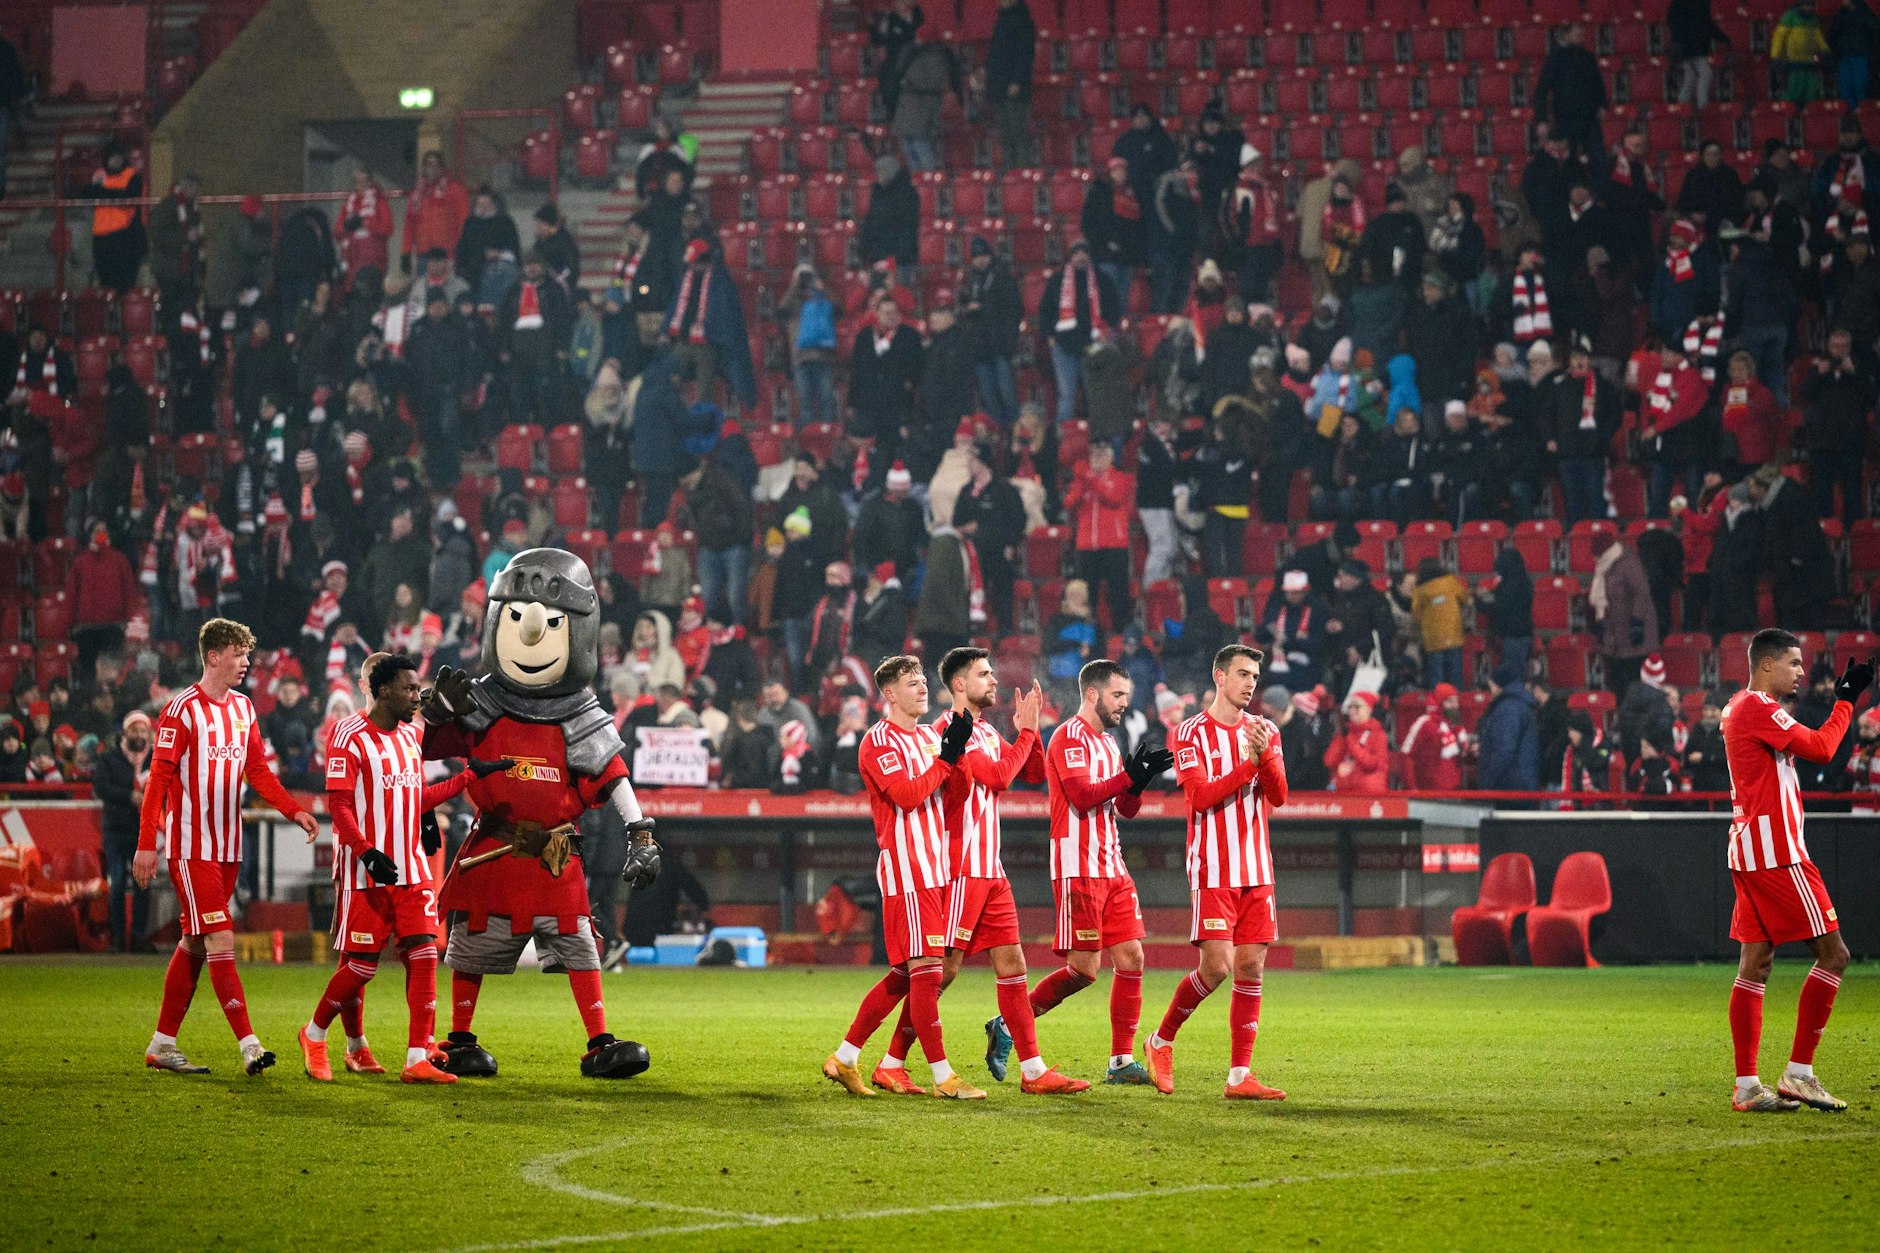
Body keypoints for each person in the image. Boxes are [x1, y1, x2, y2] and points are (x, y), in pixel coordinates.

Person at [874, 649, 1086, 1094]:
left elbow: (1031, 771)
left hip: (991, 869)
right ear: (958, 684)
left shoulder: (986, 731)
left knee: (1012, 964)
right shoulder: (948, 732)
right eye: (983, 674)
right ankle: (892, 1061)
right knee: (942, 971)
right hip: (959, 868)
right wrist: (1025, 732)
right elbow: (999, 777)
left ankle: (1034, 1071)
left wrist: (1031, 730)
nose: (993, 680)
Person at [298, 654, 509, 1086]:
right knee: (360, 967)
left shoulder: (413, 736)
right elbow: (339, 805)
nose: (418, 697)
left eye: (418, 689)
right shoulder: (349, 735)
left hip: (411, 866)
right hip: (366, 871)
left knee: (426, 953)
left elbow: (415, 798)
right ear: (382, 691)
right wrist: (365, 852)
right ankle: (314, 1034)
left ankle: (416, 1057)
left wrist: (469, 776)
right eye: (410, 689)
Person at [132, 618, 319, 1075]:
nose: (246, 662)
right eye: (239, 654)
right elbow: (158, 781)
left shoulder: (243, 708)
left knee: (195, 942)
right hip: (191, 846)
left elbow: (258, 771)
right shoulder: (181, 710)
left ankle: (161, 1044)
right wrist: (146, 843)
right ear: (213, 656)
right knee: (220, 936)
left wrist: (292, 810)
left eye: (247, 654)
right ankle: (250, 1045)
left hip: (229, 846)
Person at [821, 654, 984, 1100]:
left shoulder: (929, 738)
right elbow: (908, 796)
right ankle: (944, 1076)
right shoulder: (878, 742)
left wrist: (957, 755)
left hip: (935, 867)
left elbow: (957, 795)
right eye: (912, 683)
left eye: (923, 681)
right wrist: (944, 760)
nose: (923, 688)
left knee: (902, 975)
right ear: (890, 693)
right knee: (927, 973)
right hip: (908, 870)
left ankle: (845, 1058)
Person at [1721, 629, 1870, 1113]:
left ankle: (1747, 1086)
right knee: (1835, 955)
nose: (1802, 672)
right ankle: (1799, 1073)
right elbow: (1823, 748)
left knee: (1755, 965)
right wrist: (1846, 701)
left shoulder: (1737, 706)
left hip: (1750, 850)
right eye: (1793, 663)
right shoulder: (1757, 707)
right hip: (1778, 853)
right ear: (1766, 665)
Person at [1145, 644, 1289, 1100]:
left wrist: (1266, 758)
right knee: (1217, 966)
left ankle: (1239, 1076)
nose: (1250, 683)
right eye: (1242, 674)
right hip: (1213, 866)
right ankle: (1160, 1041)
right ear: (1219, 676)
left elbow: (1279, 795)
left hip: (1256, 866)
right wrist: (1251, 764)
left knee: (1251, 967)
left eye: (1255, 676)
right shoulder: (1189, 733)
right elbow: (1201, 797)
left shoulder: (1265, 730)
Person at [1028, 659, 1172, 1086]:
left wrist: (1138, 782)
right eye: (1117, 695)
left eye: (1127, 695)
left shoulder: (1109, 744)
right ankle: (1010, 1021)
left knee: (1132, 957)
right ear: (1092, 694)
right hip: (1078, 865)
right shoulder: (1067, 737)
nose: (1124, 703)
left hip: (1112, 863)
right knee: (1083, 970)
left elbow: (1123, 808)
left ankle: (1120, 1061)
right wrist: (1126, 777)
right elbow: (1081, 795)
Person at [1799, 327, 1875, 528]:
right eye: (1835, 346)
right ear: (1828, 347)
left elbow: (1871, 396)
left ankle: (1854, 535)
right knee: (1821, 494)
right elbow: (1804, 392)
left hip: (1850, 442)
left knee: (1852, 493)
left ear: (1849, 348)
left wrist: (1854, 373)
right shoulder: (1819, 367)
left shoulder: (1860, 367)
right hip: (1822, 442)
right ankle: (1824, 535)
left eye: (1843, 346)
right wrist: (1818, 374)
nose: (1839, 350)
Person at [91, 710, 153, 952]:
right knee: (116, 882)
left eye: (143, 730)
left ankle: (138, 936)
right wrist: (129, 796)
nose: (139, 735)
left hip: (144, 831)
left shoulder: (156, 758)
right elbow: (100, 786)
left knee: (143, 884)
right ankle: (117, 937)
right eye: (134, 730)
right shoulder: (109, 758)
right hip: (116, 829)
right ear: (125, 732)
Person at [1041, 241, 1120, 425]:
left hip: (1094, 346)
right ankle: (1062, 439)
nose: (1081, 257)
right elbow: (1045, 311)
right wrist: (1050, 337)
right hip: (1063, 345)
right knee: (1066, 396)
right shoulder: (1057, 281)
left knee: (1095, 394)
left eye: (1084, 253)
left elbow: (1114, 311)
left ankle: (1097, 435)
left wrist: (1107, 331)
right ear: (1070, 256)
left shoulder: (1102, 280)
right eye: (1077, 253)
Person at [1063, 443, 1133, 632]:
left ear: (1110, 458)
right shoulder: (1082, 480)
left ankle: (1122, 633)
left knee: (1118, 592)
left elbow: (1114, 498)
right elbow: (1069, 502)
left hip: (1114, 544)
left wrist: (1090, 479)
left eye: (1101, 455)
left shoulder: (1120, 478)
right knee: (1087, 593)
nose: (1095, 460)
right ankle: (1086, 633)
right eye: (1093, 455)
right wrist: (1082, 484)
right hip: (1087, 545)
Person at [1532, 24, 1608, 157]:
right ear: (1566, 36)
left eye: (1581, 35)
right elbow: (1542, 89)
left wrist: (1602, 105)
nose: (1581, 38)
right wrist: (1541, 118)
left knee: (1598, 158)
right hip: (1565, 118)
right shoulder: (1555, 58)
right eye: (1577, 35)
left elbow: (1598, 83)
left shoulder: (1588, 57)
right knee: (1568, 159)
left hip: (1589, 117)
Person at [984, 0, 1038, 167]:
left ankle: (1021, 172)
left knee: (1018, 133)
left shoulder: (1023, 22)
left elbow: (1025, 55)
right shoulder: (1002, 20)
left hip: (1014, 88)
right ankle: (1009, 172)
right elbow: (996, 53)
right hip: (999, 86)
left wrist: (1017, 81)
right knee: (1005, 134)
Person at [1476, 660, 1540, 791]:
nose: (1490, 690)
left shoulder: (1508, 709)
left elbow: (1504, 750)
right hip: (1518, 782)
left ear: (1498, 684)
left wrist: (1487, 781)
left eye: (1491, 685)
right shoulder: (1517, 705)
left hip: (1509, 786)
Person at [1401, 683, 1465, 791]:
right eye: (1449, 701)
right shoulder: (1424, 723)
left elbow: (1461, 757)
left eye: (1456, 701)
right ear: (1439, 702)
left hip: (1454, 790)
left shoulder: (1457, 726)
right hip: (1428, 791)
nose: (1454, 705)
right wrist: (1411, 787)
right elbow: (1406, 755)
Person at [1323, 690, 1390, 792]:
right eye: (1350, 707)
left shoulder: (1378, 734)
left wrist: (1352, 744)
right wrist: (1341, 740)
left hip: (1369, 792)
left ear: (1368, 710)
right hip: (1344, 790)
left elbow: (1372, 764)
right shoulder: (1346, 733)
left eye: (1357, 706)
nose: (1352, 710)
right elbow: (1329, 761)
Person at [1669, 0, 1731, 106]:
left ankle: (1683, 105)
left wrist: (1678, 40)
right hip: (1694, 47)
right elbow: (1706, 23)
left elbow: (1672, 20)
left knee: (1691, 76)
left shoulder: (1679, 3)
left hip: (1685, 46)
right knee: (1705, 73)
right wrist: (1724, 38)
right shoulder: (1699, 3)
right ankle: (1702, 105)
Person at [1772, 0, 1831, 103]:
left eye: (1811, 5)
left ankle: (1809, 110)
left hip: (1809, 61)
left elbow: (1818, 36)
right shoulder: (1789, 17)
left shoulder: (1813, 19)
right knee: (1794, 89)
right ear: (1800, 5)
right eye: (1807, 5)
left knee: (1812, 89)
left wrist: (1825, 50)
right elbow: (1779, 37)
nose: (1809, 8)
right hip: (1793, 60)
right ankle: (1790, 109)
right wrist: (1775, 56)